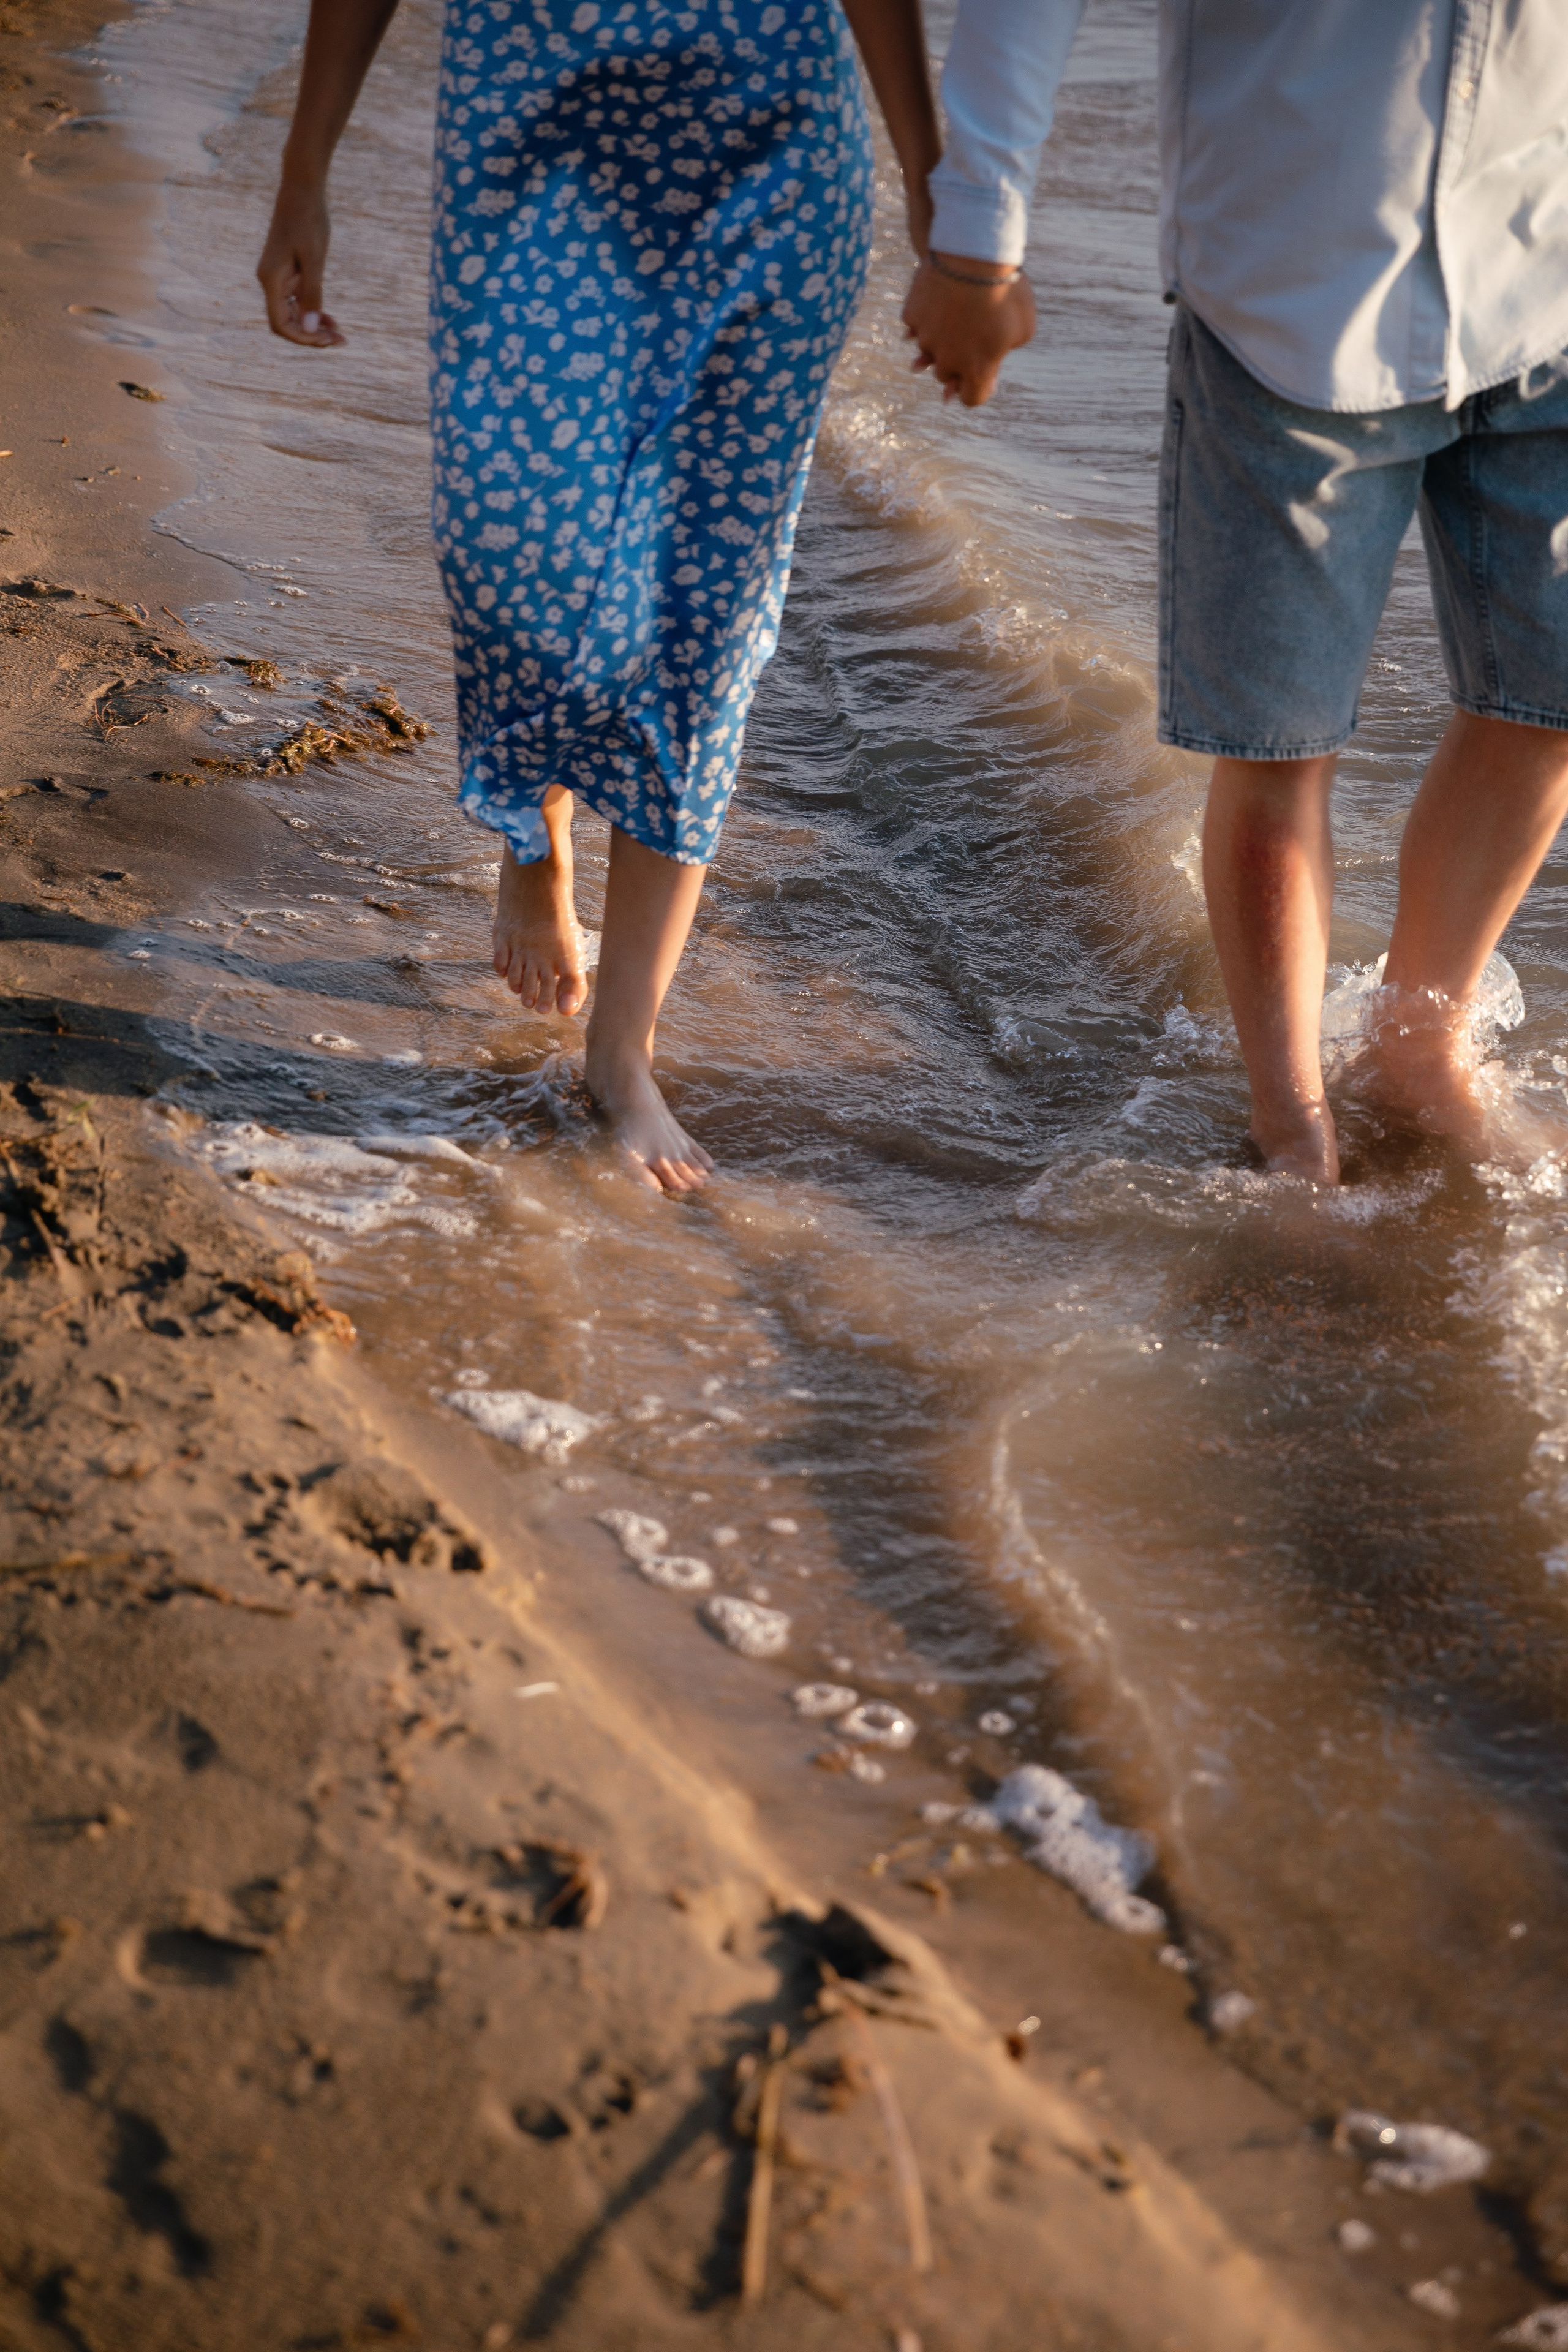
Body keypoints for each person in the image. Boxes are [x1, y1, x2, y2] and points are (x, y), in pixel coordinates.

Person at [260, 0, 938, 1194]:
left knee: (708, 613)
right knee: (523, 543)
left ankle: (621, 1052)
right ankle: (536, 824)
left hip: (774, 158)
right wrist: (303, 170)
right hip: (541, 153)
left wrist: (948, 210)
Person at [903, 1, 1568, 1184]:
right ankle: (1289, 1123)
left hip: (1547, 270)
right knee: (1275, 740)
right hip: (1295, 284)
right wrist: (976, 243)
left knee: (1549, 701)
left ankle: (1420, 1050)